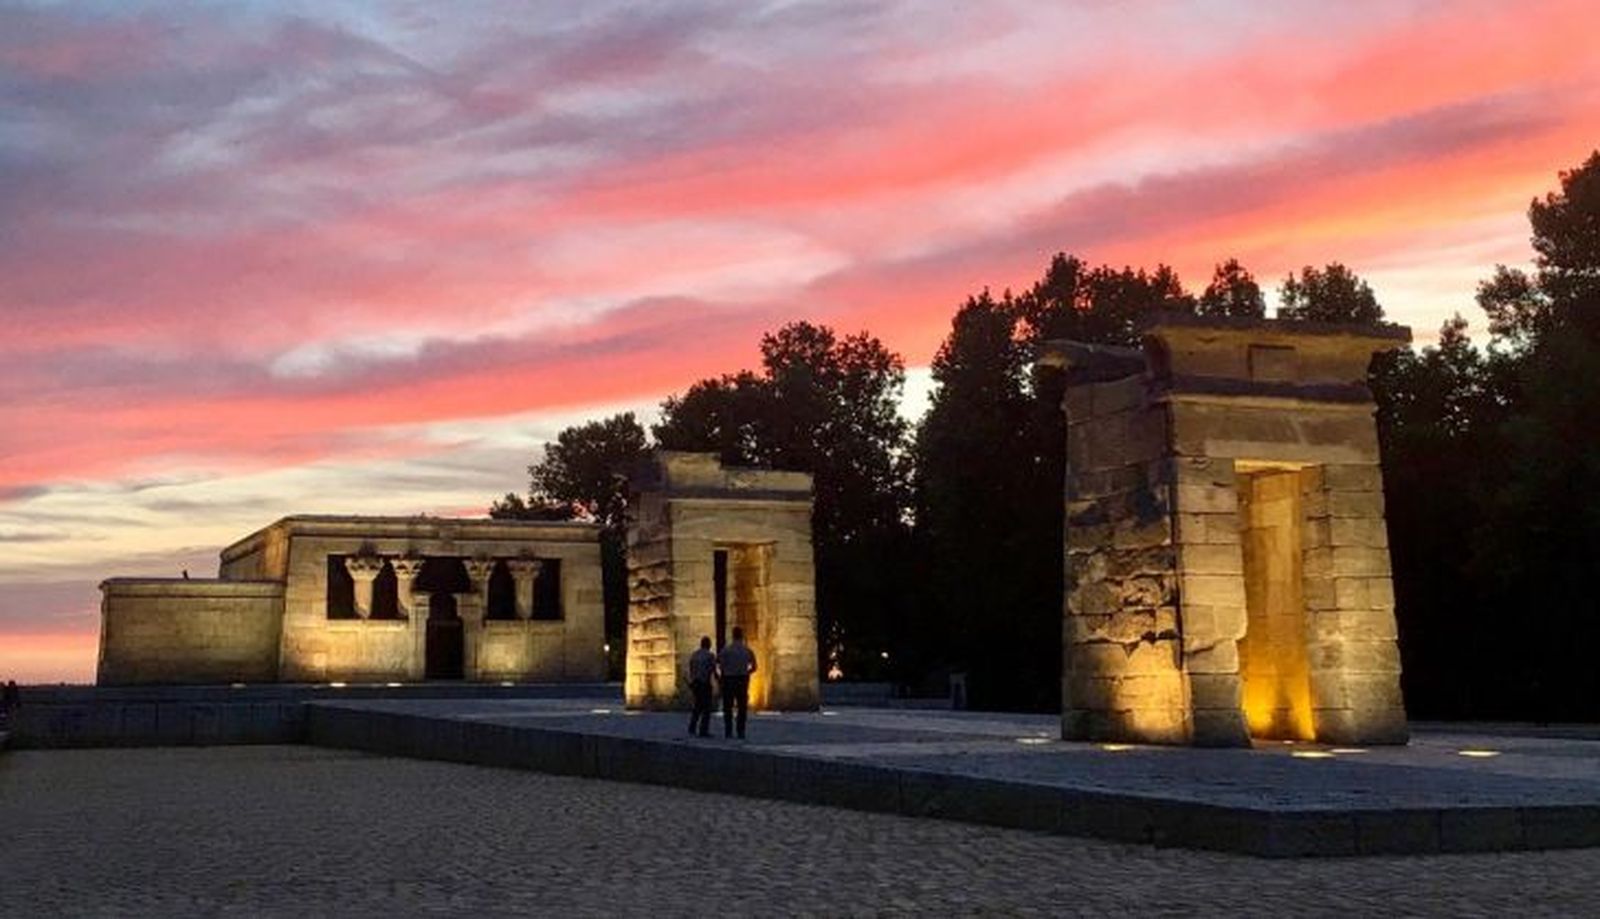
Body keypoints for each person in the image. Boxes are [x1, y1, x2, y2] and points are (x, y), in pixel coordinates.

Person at [717, 626, 757, 739]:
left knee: (728, 707)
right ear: (742, 636)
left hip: (729, 679)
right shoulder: (747, 650)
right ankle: (741, 731)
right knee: (742, 707)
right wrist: (747, 672)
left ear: (733, 635)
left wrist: (722, 675)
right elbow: (754, 667)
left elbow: (719, 664)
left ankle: (728, 731)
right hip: (742, 679)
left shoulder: (726, 650)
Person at [686, 636, 716, 738]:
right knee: (706, 708)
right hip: (704, 683)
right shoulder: (710, 655)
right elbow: (712, 669)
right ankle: (703, 730)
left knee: (697, 706)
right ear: (708, 645)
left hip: (695, 683)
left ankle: (692, 727)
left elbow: (691, 669)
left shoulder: (694, 655)